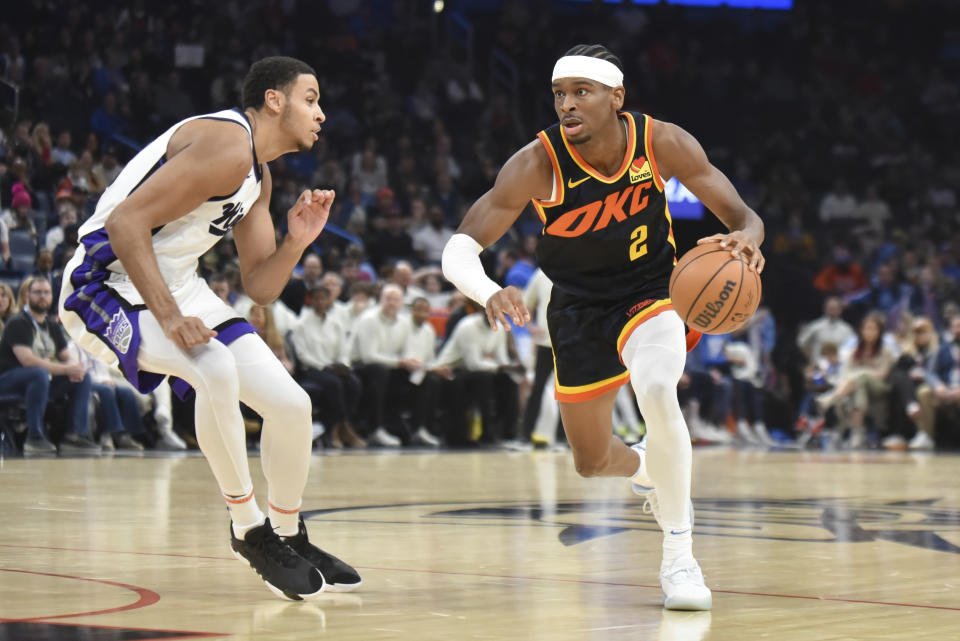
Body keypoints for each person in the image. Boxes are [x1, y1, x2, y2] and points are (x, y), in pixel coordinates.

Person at [442, 44, 765, 610]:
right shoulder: (535, 164)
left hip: (652, 291)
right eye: (559, 94)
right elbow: (459, 250)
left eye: (581, 93)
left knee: (659, 391)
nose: (567, 105)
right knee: (592, 462)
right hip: (577, 309)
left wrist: (748, 240)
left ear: (616, 98)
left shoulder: (662, 141)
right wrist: (489, 290)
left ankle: (680, 557)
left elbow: (744, 216)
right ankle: (647, 468)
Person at [58, 56, 360, 600]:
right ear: (274, 99)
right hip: (103, 283)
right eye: (311, 98)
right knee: (213, 365)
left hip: (178, 284)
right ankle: (248, 528)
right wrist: (170, 317)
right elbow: (126, 222)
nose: (322, 113)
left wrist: (296, 242)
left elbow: (261, 286)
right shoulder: (227, 143)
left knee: (292, 406)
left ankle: (288, 533)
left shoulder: (258, 176)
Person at [0, 276, 99, 455]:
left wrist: (75, 368)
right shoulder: (18, 322)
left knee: (83, 378)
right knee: (38, 373)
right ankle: (34, 437)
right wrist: (66, 368)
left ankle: (75, 436)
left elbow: (66, 356)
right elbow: (27, 361)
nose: (42, 296)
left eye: (46, 292)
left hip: (38, 381)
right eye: (37, 292)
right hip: (8, 380)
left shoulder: (52, 325)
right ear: (28, 296)